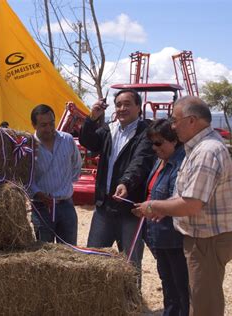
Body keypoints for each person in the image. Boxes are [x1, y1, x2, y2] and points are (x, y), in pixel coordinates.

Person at [134, 96, 232, 316]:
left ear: (191, 121)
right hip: (203, 239)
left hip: (207, 240)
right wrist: (162, 207)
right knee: (198, 300)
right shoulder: (200, 149)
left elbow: (191, 205)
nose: (172, 125)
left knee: (204, 306)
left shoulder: (206, 152)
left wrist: (154, 206)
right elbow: (184, 195)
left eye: (175, 120)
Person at [79, 89, 155, 287]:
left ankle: (132, 304)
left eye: (127, 104)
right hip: (104, 206)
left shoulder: (146, 133)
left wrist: (126, 182)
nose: (122, 108)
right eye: (118, 104)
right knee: (94, 257)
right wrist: (91, 118)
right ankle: (97, 302)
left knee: (131, 263)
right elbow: (88, 142)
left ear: (138, 107)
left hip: (131, 208)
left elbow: (141, 161)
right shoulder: (108, 129)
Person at [134, 118, 189, 316]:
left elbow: (179, 199)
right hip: (159, 235)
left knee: (181, 286)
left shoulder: (182, 164)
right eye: (152, 143)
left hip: (174, 236)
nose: (154, 148)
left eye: (159, 143)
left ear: (174, 140)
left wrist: (154, 207)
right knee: (168, 283)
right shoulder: (161, 161)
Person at [29, 104, 82, 245]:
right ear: (34, 125)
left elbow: (77, 165)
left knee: (69, 253)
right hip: (41, 209)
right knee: (45, 255)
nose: (49, 128)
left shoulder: (68, 139)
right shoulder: (28, 147)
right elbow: (25, 177)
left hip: (67, 206)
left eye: (52, 123)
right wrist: (38, 193)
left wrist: (66, 185)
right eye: (43, 125)